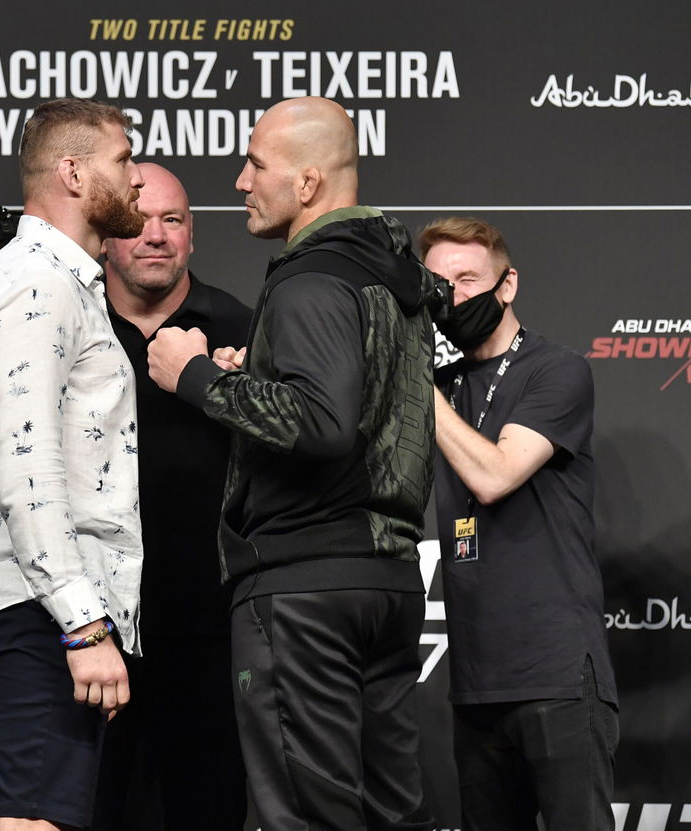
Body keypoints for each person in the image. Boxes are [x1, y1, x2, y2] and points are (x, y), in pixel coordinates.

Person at [147, 97, 437, 831]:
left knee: (303, 818)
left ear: (307, 184)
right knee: (387, 815)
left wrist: (196, 376)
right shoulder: (390, 274)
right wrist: (255, 381)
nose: (241, 181)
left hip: (305, 591)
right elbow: (358, 405)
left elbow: (322, 422)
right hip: (387, 581)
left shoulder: (311, 278)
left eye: (256, 164)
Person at [0, 97, 145, 831]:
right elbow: (28, 471)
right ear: (71, 171)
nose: (137, 182)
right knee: (31, 824)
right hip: (48, 613)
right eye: (123, 161)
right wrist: (83, 627)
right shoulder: (35, 284)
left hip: (55, 607)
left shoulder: (62, 282)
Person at [419, 216, 619, 831]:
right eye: (438, 283)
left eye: (468, 279)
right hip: (476, 680)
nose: (454, 296)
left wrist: (411, 386)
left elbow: (495, 474)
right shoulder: (441, 386)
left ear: (508, 286)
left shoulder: (555, 370)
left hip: (556, 674)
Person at [94, 162, 251, 830]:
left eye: (174, 220)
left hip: (213, 633)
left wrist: (234, 392)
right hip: (89, 633)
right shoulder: (65, 326)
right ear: (104, 238)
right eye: (137, 222)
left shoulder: (243, 327)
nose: (155, 236)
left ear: (193, 235)